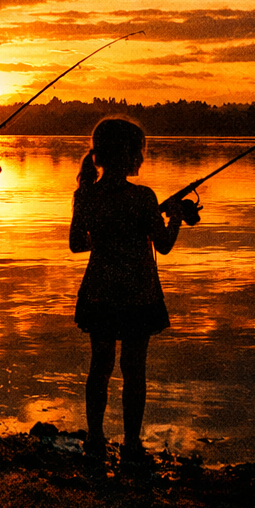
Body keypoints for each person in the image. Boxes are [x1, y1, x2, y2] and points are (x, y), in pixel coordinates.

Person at [69, 117, 193, 465]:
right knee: (134, 369)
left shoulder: (86, 195)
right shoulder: (143, 197)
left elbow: (77, 244)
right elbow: (165, 246)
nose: (142, 157)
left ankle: (95, 438)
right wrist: (175, 217)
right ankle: (132, 446)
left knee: (100, 366)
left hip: (99, 292)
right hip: (139, 295)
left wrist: (107, 235)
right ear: (127, 154)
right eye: (139, 150)